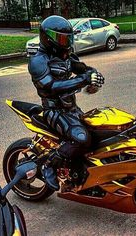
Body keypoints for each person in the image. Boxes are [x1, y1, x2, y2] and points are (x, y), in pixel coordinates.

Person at [28, 15, 104, 191]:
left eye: (69, 38)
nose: (67, 42)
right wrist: (84, 80)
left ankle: (80, 172)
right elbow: (51, 86)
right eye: (62, 38)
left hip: (71, 108)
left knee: (97, 133)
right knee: (81, 138)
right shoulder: (38, 61)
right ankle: (49, 165)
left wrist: (95, 76)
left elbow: (83, 68)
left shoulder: (66, 56)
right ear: (48, 38)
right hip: (54, 111)